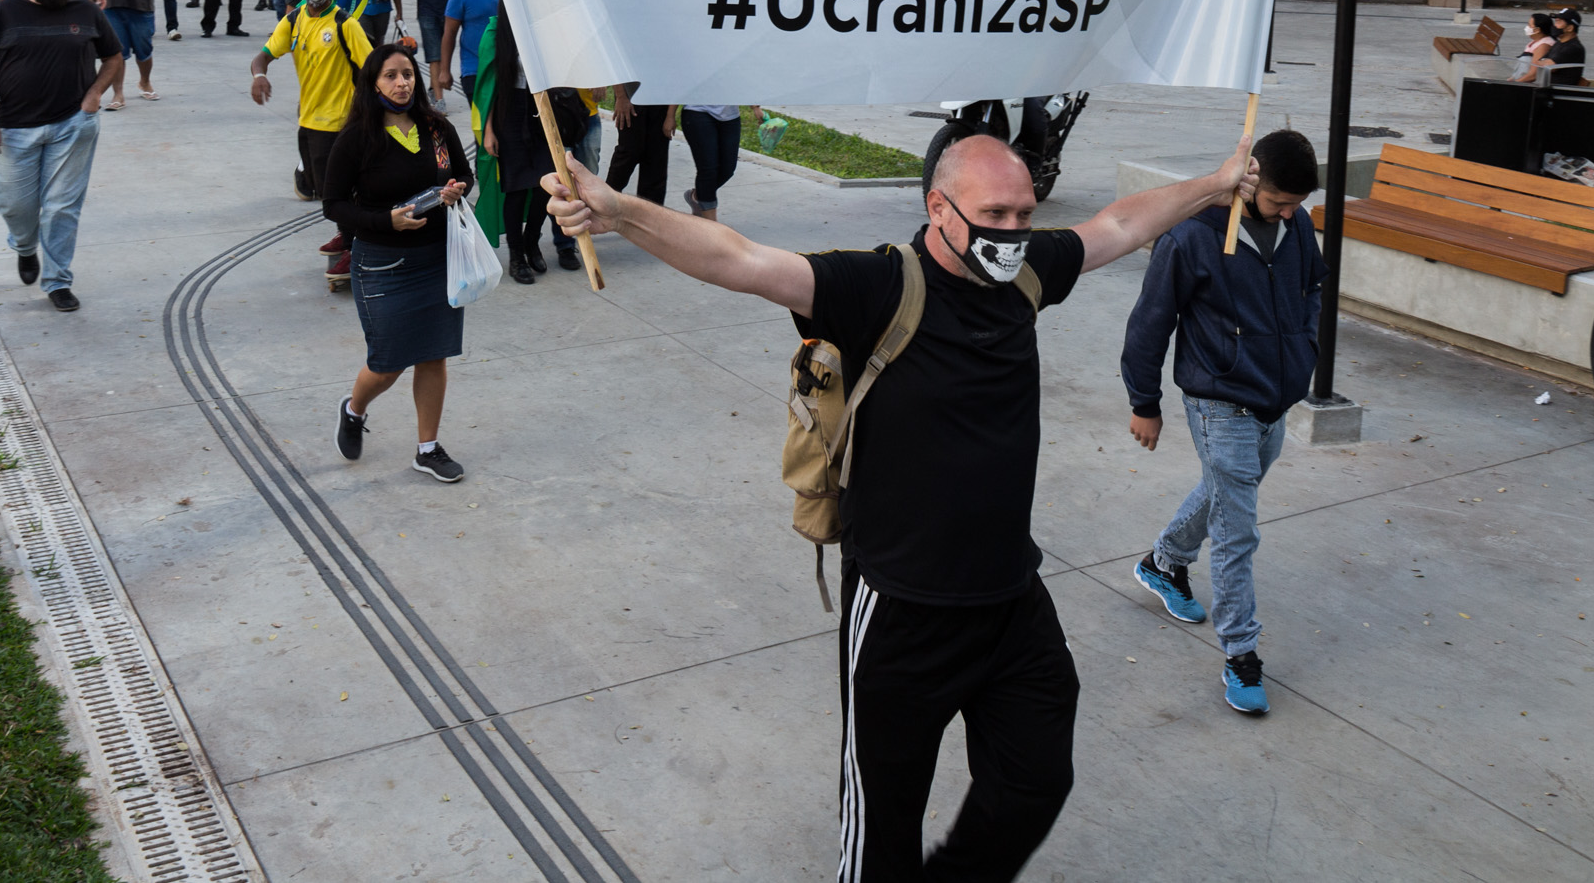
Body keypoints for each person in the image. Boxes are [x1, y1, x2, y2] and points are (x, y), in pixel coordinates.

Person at [543, 129, 1257, 879]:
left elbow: (1118, 224)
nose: (1014, 232)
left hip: (1011, 600)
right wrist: (620, 212)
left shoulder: (1027, 276)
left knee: (1035, 779)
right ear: (937, 207)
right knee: (882, 831)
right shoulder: (878, 286)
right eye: (996, 214)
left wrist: (1214, 182)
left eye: (1024, 214)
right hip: (901, 613)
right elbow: (739, 259)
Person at [1121, 130, 1325, 715]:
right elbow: (1149, 322)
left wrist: (1304, 347)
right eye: (1280, 200)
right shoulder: (1192, 236)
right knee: (1239, 531)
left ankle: (1163, 562)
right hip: (1218, 400)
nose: (1289, 212)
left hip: (1273, 397)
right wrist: (1144, 402)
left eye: (1297, 204)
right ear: (1250, 177)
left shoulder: (1299, 226)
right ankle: (1241, 655)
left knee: (1226, 492)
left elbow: (1312, 286)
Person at [322, 43, 474, 482]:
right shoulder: (357, 137)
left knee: (434, 356)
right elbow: (334, 204)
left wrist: (455, 192)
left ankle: (428, 448)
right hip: (382, 265)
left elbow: (465, 176)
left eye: (407, 73)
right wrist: (384, 221)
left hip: (437, 258)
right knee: (388, 363)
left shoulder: (437, 128)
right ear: (373, 83)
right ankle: (353, 410)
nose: (402, 82)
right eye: (390, 75)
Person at [0, 0, 125, 313]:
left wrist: (94, 94)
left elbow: (114, 57)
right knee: (15, 204)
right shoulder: (3, 13)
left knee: (61, 207)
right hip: (15, 128)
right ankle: (25, 247)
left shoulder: (86, 11)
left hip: (72, 125)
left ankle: (58, 281)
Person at [251, 0, 375, 283]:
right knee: (322, 189)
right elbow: (262, 55)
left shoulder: (345, 24)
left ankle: (356, 247)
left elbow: (371, 68)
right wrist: (260, 75)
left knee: (340, 192)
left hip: (340, 123)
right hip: (308, 119)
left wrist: (366, 112)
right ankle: (345, 233)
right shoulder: (293, 21)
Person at [481, 10, 582, 280]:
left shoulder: (542, 27)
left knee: (545, 185)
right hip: (509, 114)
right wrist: (489, 130)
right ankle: (516, 256)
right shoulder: (495, 33)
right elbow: (488, 88)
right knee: (515, 189)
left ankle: (531, 241)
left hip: (542, 111)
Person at [436, 0, 501, 105]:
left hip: (507, 70)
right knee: (482, 125)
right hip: (474, 70)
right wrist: (445, 71)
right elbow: (449, 33)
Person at [604, 83, 671, 205]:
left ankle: (651, 214)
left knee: (656, 160)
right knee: (629, 152)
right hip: (631, 96)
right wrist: (621, 96)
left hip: (661, 99)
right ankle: (605, 202)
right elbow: (616, 64)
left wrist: (670, 114)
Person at [674, 104, 743, 220]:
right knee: (708, 170)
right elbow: (680, 87)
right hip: (697, 110)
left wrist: (755, 107)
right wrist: (670, 116)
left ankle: (697, 196)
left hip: (730, 116)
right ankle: (711, 223)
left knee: (727, 169)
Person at [1518, 9, 1585, 85]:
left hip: (1558, 92)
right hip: (1547, 89)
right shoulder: (1559, 43)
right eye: (1555, 22)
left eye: (1558, 22)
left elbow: (1549, 67)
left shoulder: (1573, 48)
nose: (1554, 26)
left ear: (1570, 28)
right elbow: (1538, 63)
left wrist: (1544, 63)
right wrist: (1544, 62)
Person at [1509, 12, 1558, 81]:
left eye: (1529, 25)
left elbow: (1533, 74)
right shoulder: (1535, 42)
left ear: (1537, 30)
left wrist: (1514, 84)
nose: (1527, 27)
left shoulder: (1544, 46)